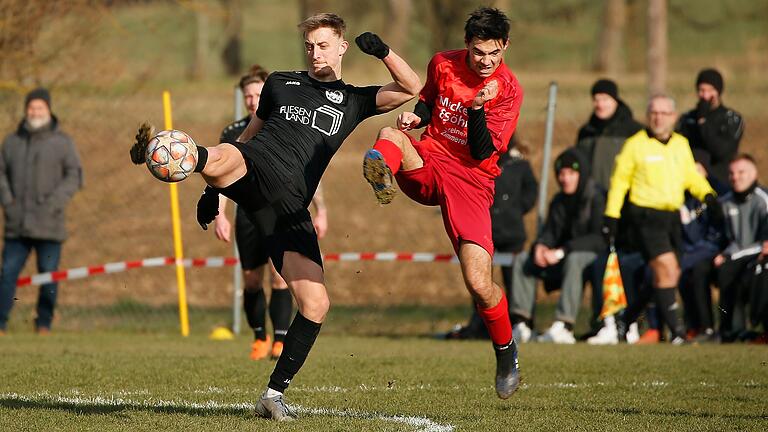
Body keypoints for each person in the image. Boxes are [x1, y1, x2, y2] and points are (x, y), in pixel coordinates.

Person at [131, 13, 421, 421]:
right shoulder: (281, 82)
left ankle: (272, 395)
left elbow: (412, 87)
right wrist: (211, 189)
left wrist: (384, 53)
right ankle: (172, 153)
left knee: (316, 303)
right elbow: (247, 138)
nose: (315, 53)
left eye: (323, 45)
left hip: (283, 208)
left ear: (341, 46)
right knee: (227, 152)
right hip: (254, 167)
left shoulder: (355, 101)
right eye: (309, 46)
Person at [360, 7, 522, 399]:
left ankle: (506, 352)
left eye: (494, 54)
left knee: (479, 284)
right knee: (389, 133)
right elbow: (429, 102)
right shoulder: (442, 63)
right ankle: (383, 174)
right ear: (467, 44)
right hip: (431, 160)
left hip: (472, 180)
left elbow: (484, 152)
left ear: (504, 48)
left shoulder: (509, 90)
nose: (486, 62)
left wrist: (478, 108)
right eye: (480, 52)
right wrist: (417, 119)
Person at [215, 65, 329, 360]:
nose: (253, 101)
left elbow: (305, 174)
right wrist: (220, 215)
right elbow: (221, 173)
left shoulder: (285, 125)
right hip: (247, 214)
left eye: (257, 94)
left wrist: (321, 210)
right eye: (248, 96)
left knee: (281, 276)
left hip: (281, 211)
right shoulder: (232, 132)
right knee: (252, 279)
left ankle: (280, 339)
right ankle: (259, 337)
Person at [602, 94, 719, 344]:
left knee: (667, 276)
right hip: (644, 217)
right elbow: (619, 182)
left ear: (673, 117)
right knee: (666, 269)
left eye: (664, 113)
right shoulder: (635, 144)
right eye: (654, 112)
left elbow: (690, 176)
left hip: (672, 218)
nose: (658, 117)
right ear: (648, 115)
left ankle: (628, 317)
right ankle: (677, 333)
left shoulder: (680, 144)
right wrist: (611, 215)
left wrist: (707, 194)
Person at [0, 88, 82, 335]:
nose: (35, 112)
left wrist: (55, 202)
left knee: (48, 277)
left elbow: (74, 175)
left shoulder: (62, 143)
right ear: (26, 110)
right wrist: (8, 200)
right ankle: (1, 323)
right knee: (7, 274)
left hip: (50, 226)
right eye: (32, 107)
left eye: (40, 108)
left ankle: (43, 324)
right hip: (17, 225)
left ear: (48, 110)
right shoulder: (11, 142)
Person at [445, 137, 537, 340]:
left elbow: (531, 192)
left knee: (515, 282)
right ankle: (481, 324)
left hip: (512, 233)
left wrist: (513, 210)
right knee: (480, 281)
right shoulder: (478, 159)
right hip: (486, 231)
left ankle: (519, 322)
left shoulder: (519, 164)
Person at [511, 148, 605, 344]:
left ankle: (565, 325)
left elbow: (598, 239)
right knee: (522, 259)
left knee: (574, 259)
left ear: (581, 174)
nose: (565, 179)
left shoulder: (596, 197)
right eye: (561, 174)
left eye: (571, 173)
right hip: (560, 257)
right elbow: (550, 232)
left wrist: (563, 251)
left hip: (590, 259)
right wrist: (541, 246)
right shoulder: (559, 201)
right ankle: (522, 323)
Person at [714, 154, 768, 342]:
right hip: (737, 256)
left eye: (741, 172)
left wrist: (731, 254)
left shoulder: (763, 200)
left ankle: (762, 328)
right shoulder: (726, 202)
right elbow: (724, 237)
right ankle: (731, 331)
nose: (735, 177)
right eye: (732, 173)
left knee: (760, 273)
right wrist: (723, 253)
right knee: (723, 272)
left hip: (758, 256)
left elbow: (765, 244)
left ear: (754, 174)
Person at [677, 150, 724, 343]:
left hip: (712, 252)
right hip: (688, 253)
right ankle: (692, 326)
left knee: (698, 271)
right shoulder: (678, 198)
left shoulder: (715, 197)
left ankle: (708, 328)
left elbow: (718, 235)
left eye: (695, 169)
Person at [677, 68, 744, 186]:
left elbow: (722, 151)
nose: (706, 96)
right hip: (691, 179)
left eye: (710, 90)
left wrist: (703, 122)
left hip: (721, 181)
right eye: (702, 90)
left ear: (718, 91)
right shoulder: (688, 119)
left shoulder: (731, 118)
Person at [574, 79, 643, 191]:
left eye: (605, 99)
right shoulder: (586, 132)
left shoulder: (634, 131)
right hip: (593, 198)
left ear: (615, 100)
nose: (600, 105)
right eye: (596, 100)